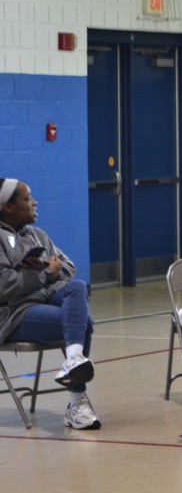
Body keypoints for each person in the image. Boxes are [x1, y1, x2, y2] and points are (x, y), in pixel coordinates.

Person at [0, 179, 100, 430]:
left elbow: (68, 267)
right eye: (27, 198)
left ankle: (74, 359)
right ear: (8, 206)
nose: (34, 202)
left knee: (77, 286)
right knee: (83, 323)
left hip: (46, 297)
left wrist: (45, 269)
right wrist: (45, 274)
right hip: (15, 312)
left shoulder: (38, 235)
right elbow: (3, 285)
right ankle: (77, 401)